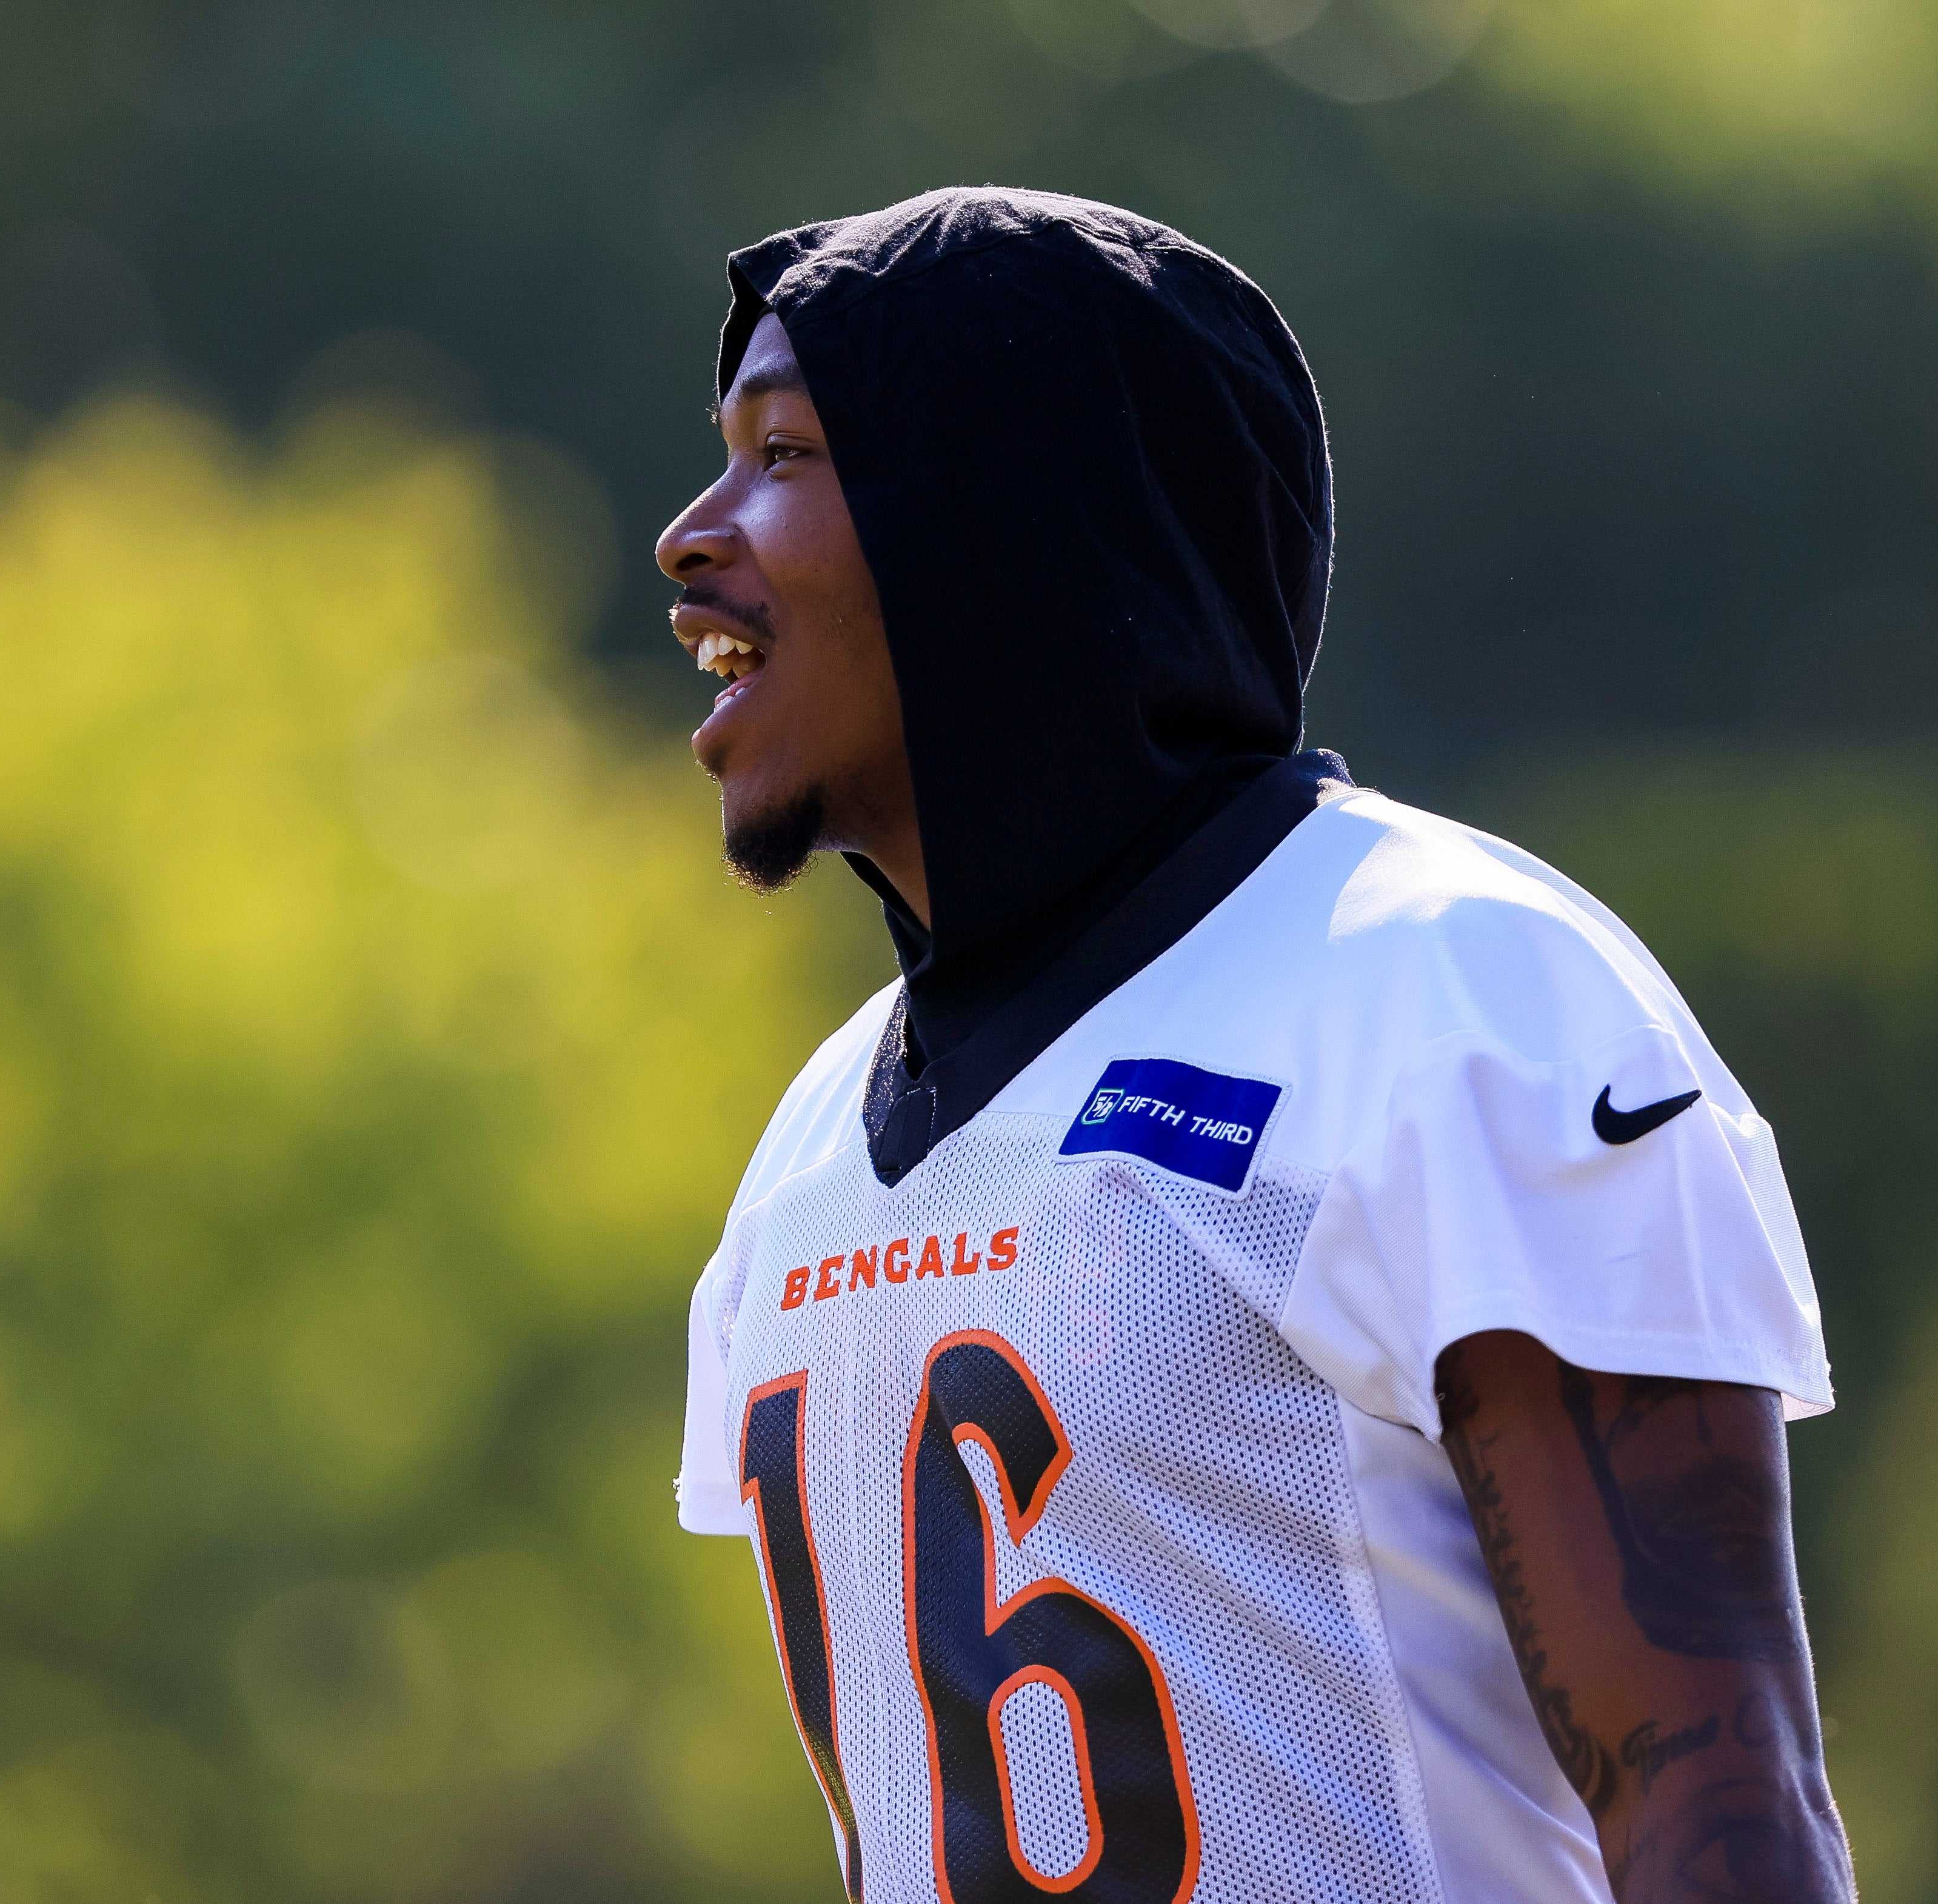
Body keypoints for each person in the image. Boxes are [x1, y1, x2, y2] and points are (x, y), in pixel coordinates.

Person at [660, 187, 1856, 1904]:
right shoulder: (805, 1153)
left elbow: (1713, 1796)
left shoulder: (1445, 987)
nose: (692, 534)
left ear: (1008, 512)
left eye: (784, 452)